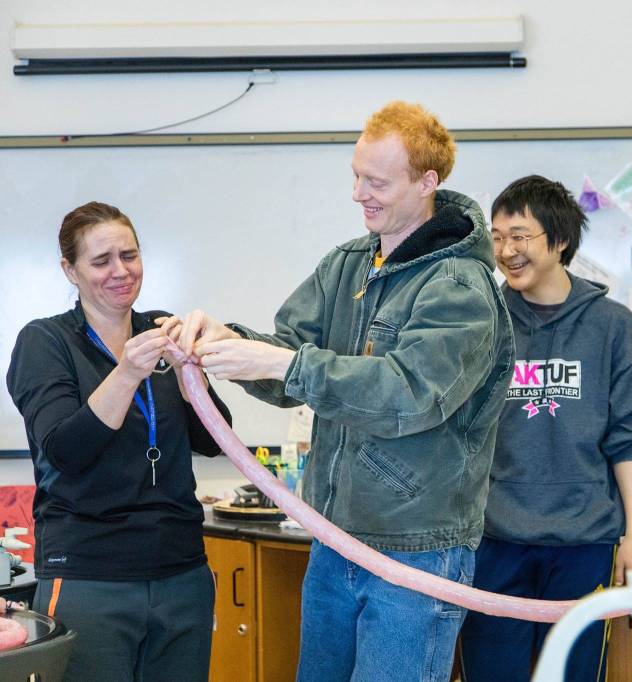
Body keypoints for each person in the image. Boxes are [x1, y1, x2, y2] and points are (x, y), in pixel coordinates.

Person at [169, 101, 515, 682]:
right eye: (356, 175)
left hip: (417, 547)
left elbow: (409, 394)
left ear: (427, 183)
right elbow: (287, 358)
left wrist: (282, 361)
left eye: (376, 181)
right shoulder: (348, 264)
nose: (358, 193)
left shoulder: (459, 287)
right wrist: (228, 344)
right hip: (335, 538)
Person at [6, 201, 230, 681]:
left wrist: (195, 369)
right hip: (91, 575)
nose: (120, 271)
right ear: (70, 269)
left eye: (129, 256)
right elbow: (65, 450)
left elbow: (214, 440)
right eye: (101, 260)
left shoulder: (159, 329)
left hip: (180, 571)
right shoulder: (45, 342)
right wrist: (127, 372)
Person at [458, 176, 632, 681]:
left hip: (583, 541)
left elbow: (631, 438)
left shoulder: (612, 326)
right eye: (499, 236)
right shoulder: (481, 319)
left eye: (521, 236)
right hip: (492, 538)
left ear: (560, 241)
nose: (506, 251)